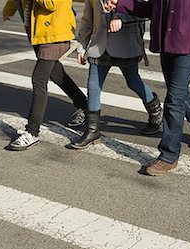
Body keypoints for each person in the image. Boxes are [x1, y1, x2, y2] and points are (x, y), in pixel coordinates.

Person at [105, 0, 190, 176]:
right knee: (177, 92)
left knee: (173, 99)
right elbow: (152, 8)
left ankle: (169, 155)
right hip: (167, 44)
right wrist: (122, 4)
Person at [69, 0, 163, 149]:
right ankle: (92, 131)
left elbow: (142, 11)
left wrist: (122, 18)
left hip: (125, 43)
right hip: (100, 45)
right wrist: (81, 47)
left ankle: (156, 111)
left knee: (133, 82)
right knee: (93, 86)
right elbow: (88, 19)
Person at [3, 0, 88, 150]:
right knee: (56, 74)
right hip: (39, 32)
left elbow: (52, 4)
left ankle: (32, 132)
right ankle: (86, 106)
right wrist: (9, 9)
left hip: (55, 33)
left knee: (39, 80)